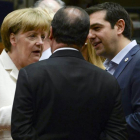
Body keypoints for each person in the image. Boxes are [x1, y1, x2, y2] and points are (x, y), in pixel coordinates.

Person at [11, 6, 128, 140]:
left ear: (51, 33)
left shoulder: (30, 74)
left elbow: (20, 131)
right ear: (86, 38)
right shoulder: (108, 80)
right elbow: (117, 134)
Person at [86, 2, 140, 140]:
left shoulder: (138, 60)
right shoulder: (109, 67)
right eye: (88, 31)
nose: (90, 36)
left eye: (96, 28)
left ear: (119, 27)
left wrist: (97, 131)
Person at [0, 7, 51, 140]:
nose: (40, 42)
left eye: (43, 36)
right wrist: (28, 110)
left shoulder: (44, 73)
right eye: (32, 35)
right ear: (13, 39)